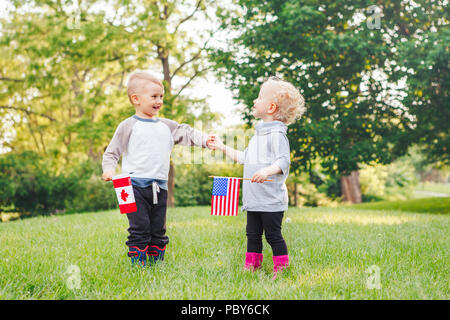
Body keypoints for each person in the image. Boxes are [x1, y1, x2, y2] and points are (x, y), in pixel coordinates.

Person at [102, 70, 211, 267]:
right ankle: (139, 264)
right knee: (139, 226)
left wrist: (206, 140)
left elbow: (187, 133)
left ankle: (156, 262)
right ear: (136, 99)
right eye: (153, 96)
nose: (159, 101)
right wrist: (109, 169)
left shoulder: (166, 126)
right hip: (130, 185)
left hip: (159, 186)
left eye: (161, 96)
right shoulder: (127, 126)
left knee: (158, 228)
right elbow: (112, 152)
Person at [207, 76, 306, 279]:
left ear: (270, 107)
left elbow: (283, 162)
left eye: (259, 97)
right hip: (254, 200)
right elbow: (245, 158)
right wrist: (222, 147)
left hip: (270, 201)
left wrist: (266, 171)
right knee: (252, 234)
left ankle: (282, 268)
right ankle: (252, 266)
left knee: (272, 235)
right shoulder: (258, 135)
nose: (255, 101)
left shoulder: (277, 135)